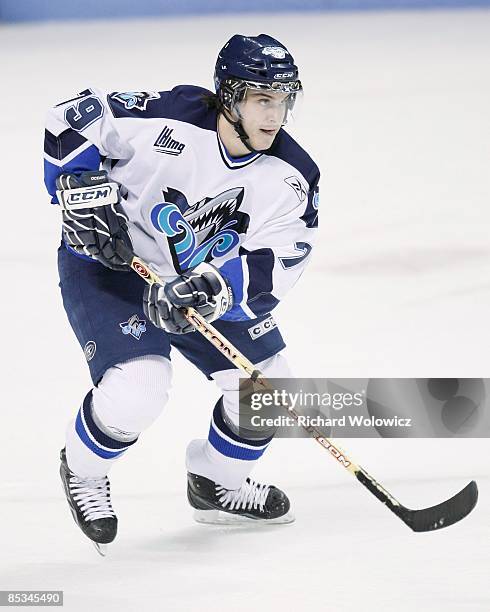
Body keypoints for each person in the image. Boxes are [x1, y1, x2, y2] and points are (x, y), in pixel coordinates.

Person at [44, 33, 320, 553]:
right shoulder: (165, 118)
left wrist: (213, 287)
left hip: (200, 284)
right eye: (262, 98)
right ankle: (82, 470)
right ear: (229, 95)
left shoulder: (293, 176)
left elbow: (282, 260)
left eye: (283, 99)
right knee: (140, 388)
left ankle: (215, 482)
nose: (274, 114)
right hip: (111, 263)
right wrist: (80, 187)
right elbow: (73, 117)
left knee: (268, 394)